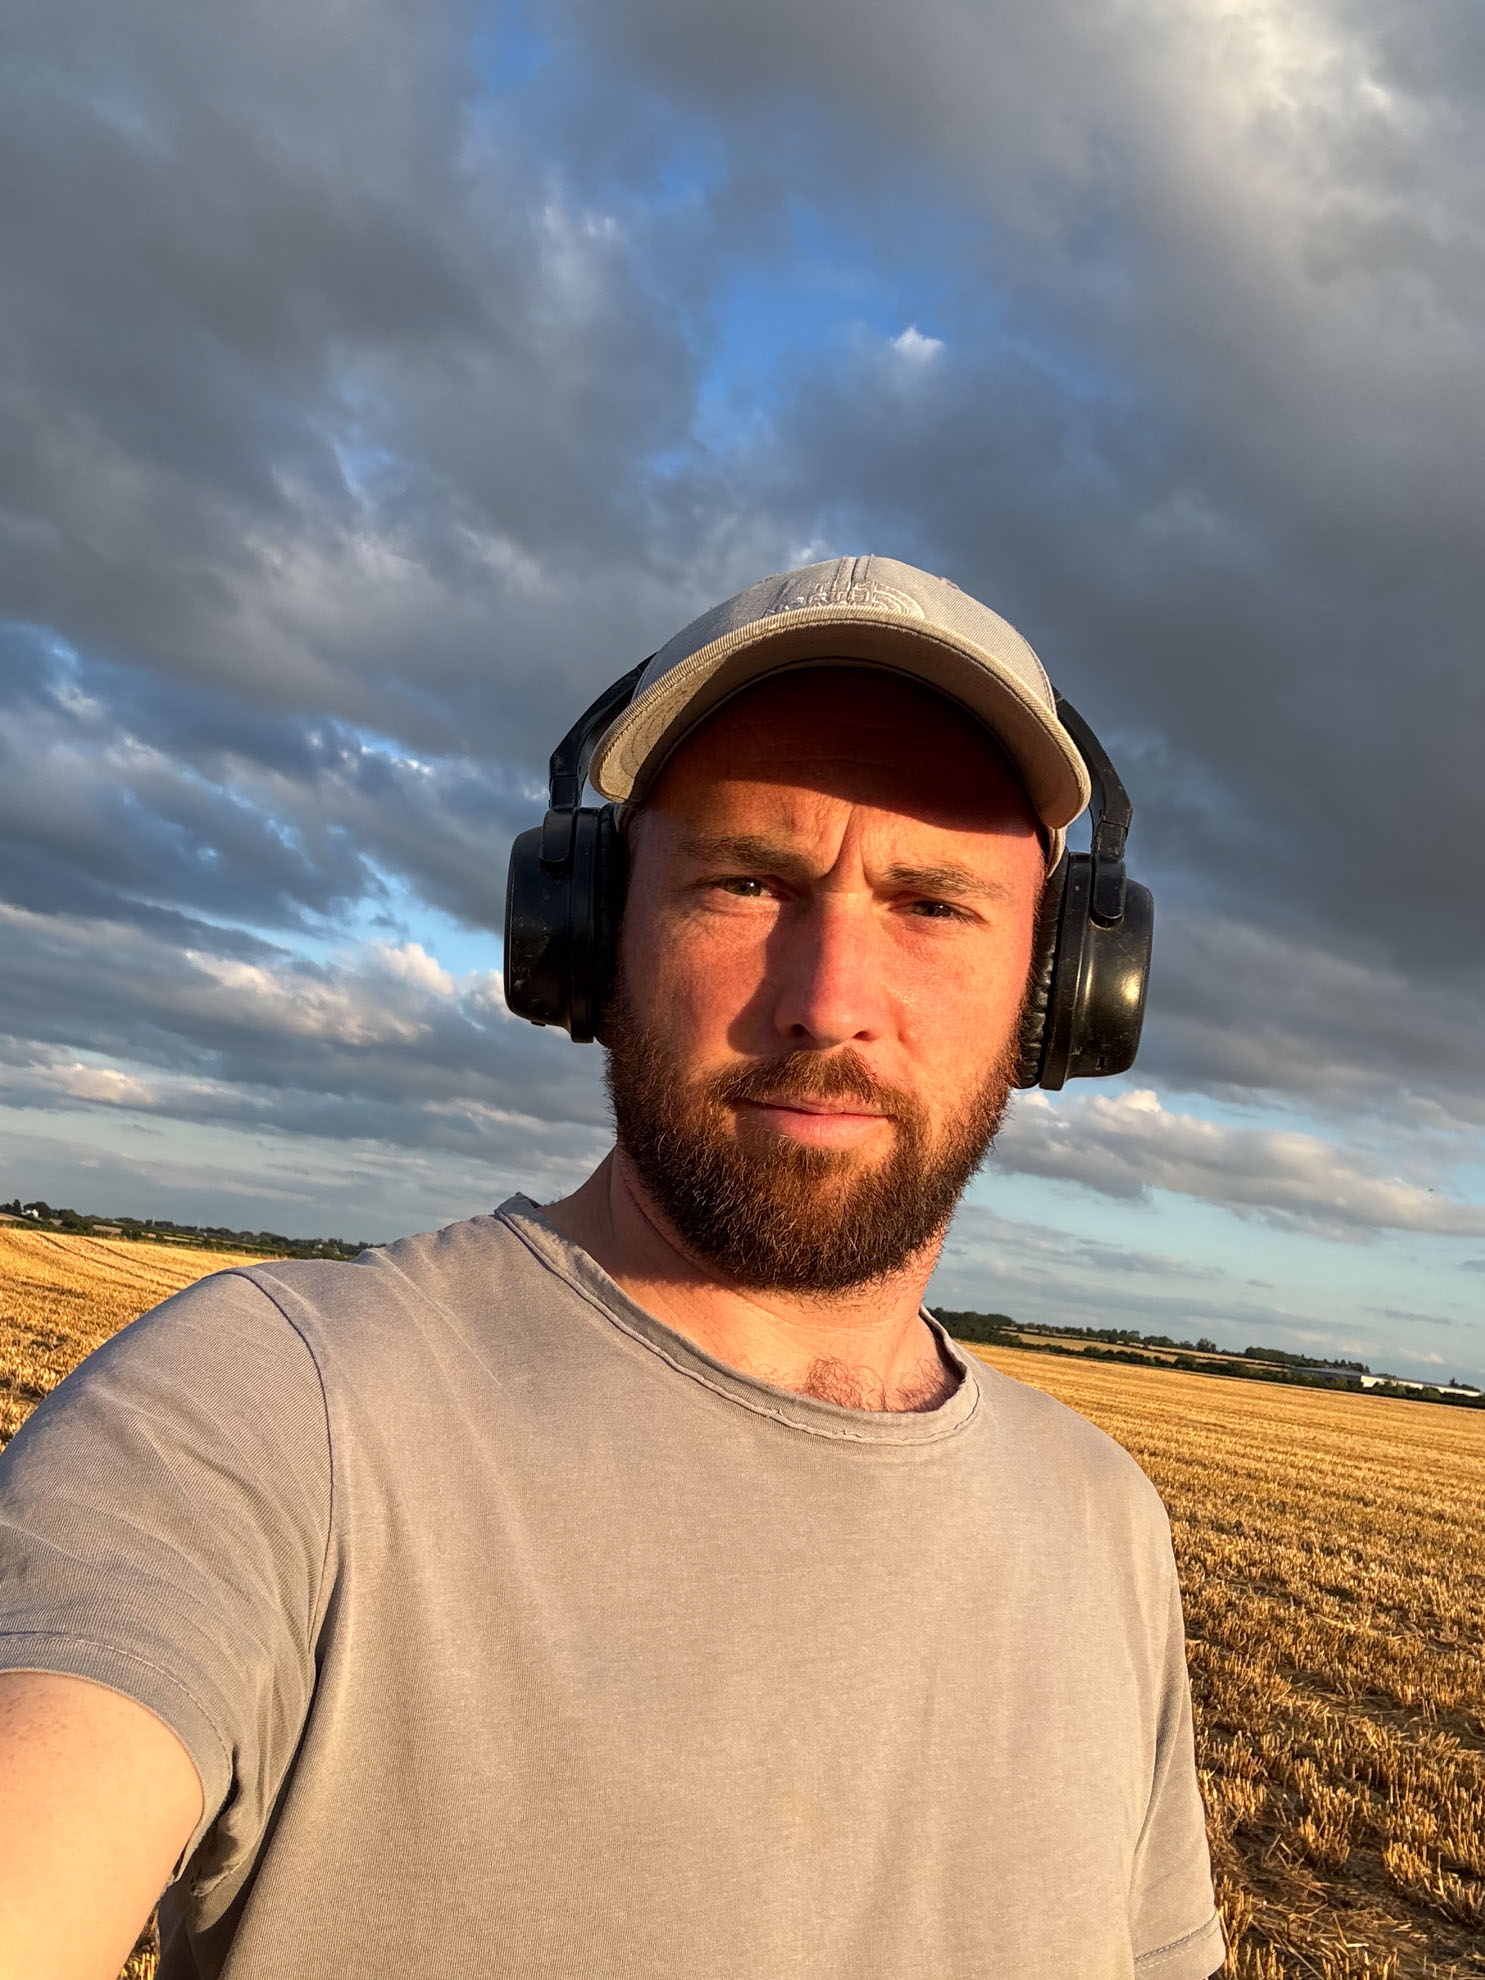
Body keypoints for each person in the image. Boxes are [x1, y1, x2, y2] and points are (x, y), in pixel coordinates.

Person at [0, 556, 1223, 1980]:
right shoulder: (272, 1410)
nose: (828, 1000)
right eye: (746, 881)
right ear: (587, 938)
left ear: (1061, 995)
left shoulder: (1099, 1523)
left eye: (933, 903)